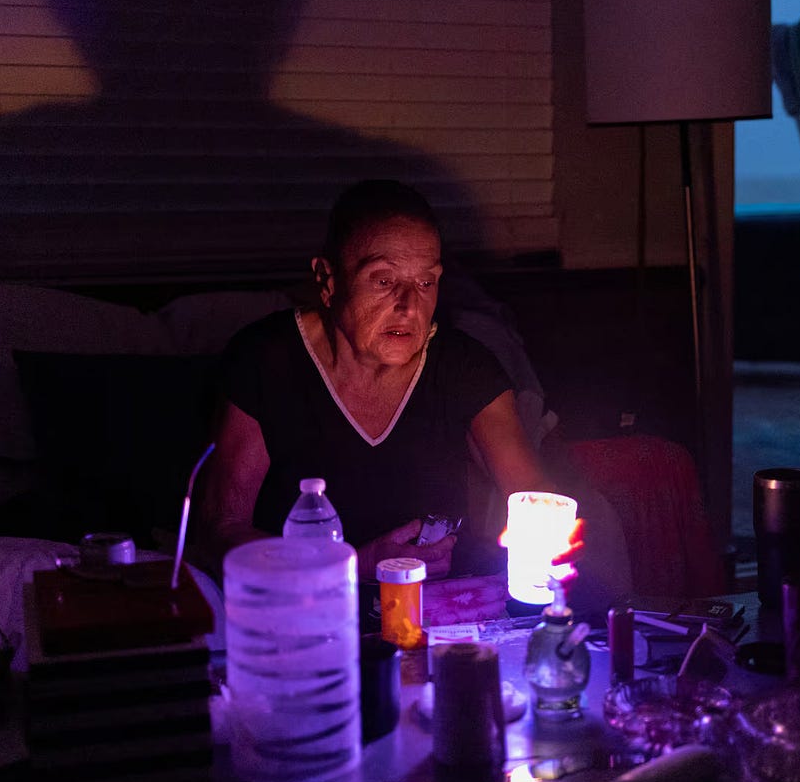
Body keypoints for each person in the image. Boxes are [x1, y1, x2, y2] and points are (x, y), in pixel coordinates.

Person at [192, 180, 576, 588]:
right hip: (300, 610)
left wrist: (550, 544)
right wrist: (353, 566)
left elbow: (535, 497)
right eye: (383, 281)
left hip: (435, 610)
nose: (410, 307)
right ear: (328, 280)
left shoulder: (464, 367)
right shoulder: (266, 360)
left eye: (426, 283)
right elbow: (220, 533)